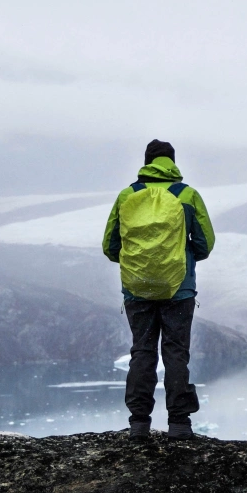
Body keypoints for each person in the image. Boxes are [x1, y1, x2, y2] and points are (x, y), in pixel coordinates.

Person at [102, 139, 216, 439]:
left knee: (142, 351)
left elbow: (110, 245)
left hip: (137, 290)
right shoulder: (187, 195)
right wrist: (183, 257)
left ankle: (139, 424)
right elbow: (205, 243)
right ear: (172, 162)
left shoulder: (128, 195)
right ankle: (179, 424)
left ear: (147, 162)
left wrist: (136, 265)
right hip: (178, 288)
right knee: (176, 353)